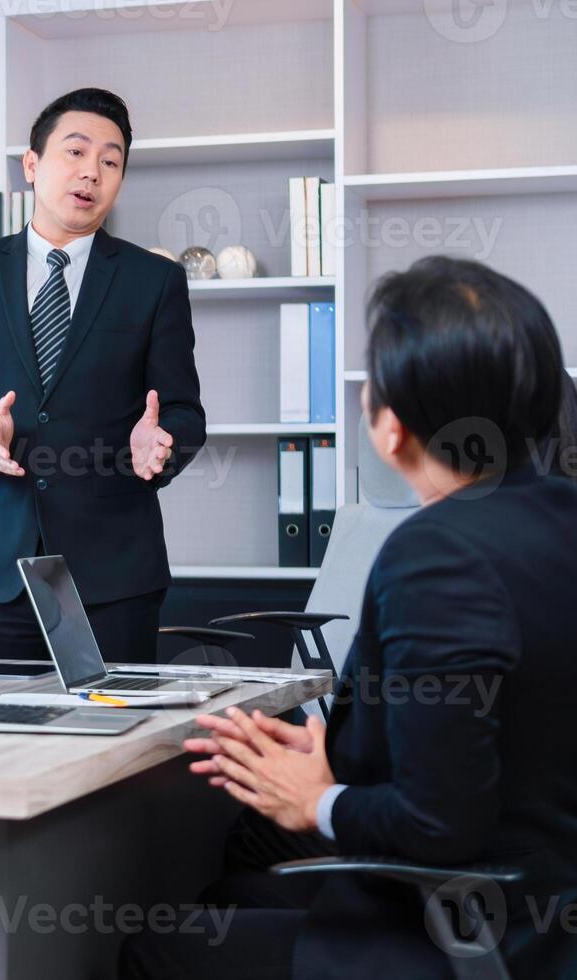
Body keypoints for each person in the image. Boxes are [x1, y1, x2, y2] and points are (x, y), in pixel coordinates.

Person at [120, 257, 577, 979]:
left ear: (387, 427)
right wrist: (334, 759)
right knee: (234, 893)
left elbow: (439, 825)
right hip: (539, 907)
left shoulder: (438, 553)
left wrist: (319, 802)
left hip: (476, 938)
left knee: (152, 948)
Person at [0, 87, 205, 665]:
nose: (92, 172)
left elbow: (185, 411)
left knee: (120, 747)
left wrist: (160, 446)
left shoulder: (153, 282)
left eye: (111, 161)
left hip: (114, 576)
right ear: (33, 165)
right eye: (76, 152)